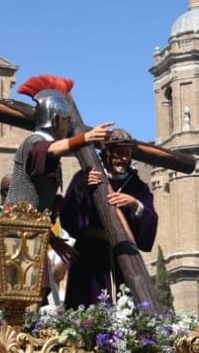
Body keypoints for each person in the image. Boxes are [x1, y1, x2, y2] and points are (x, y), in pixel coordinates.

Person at [59, 131, 158, 308]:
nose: (124, 159)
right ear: (107, 153)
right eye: (119, 153)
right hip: (88, 256)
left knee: (124, 308)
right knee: (84, 307)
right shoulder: (84, 177)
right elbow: (67, 216)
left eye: (127, 154)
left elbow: (150, 219)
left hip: (123, 255)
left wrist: (135, 205)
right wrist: (80, 189)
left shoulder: (137, 186)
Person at [2, 74, 113, 214]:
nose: (68, 127)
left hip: (35, 223)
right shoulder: (33, 142)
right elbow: (51, 150)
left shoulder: (54, 155)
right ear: (55, 120)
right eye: (66, 121)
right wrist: (85, 137)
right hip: (15, 222)